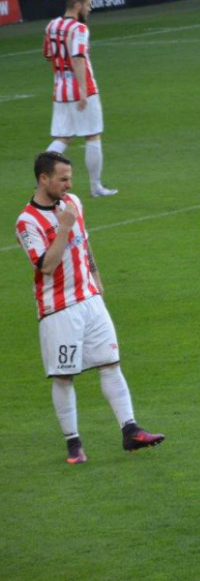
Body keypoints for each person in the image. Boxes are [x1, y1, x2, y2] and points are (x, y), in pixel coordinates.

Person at [15, 151, 164, 464]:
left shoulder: (74, 203)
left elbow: (84, 242)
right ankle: (74, 445)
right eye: (63, 178)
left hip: (89, 299)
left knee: (110, 363)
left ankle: (131, 430)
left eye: (71, 178)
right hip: (58, 309)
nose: (69, 184)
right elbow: (46, 265)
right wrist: (64, 226)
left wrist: (96, 278)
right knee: (64, 376)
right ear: (44, 179)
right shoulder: (27, 222)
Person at [42, 0, 117, 198]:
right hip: (82, 89)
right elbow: (77, 58)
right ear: (77, 5)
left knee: (63, 137)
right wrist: (83, 91)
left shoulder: (52, 26)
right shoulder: (79, 29)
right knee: (92, 135)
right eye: (87, 5)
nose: (89, 9)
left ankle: (41, 172)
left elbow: (48, 55)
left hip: (60, 90)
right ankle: (96, 187)